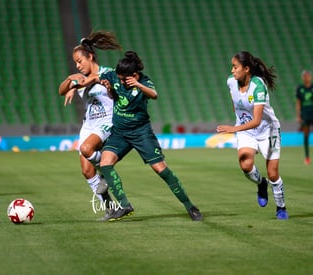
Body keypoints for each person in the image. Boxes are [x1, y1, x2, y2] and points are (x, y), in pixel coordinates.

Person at [98, 51, 202, 222]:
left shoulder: (144, 82)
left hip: (141, 132)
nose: (122, 82)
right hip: (120, 133)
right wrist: (108, 89)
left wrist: (138, 85)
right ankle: (125, 205)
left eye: (125, 79)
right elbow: (108, 90)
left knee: (161, 169)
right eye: (120, 79)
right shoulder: (113, 77)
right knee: (105, 163)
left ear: (135, 75)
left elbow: (154, 95)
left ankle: (190, 206)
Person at [217, 51, 288, 220]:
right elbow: (236, 103)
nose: (232, 70)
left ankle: (281, 207)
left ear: (246, 69)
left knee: (273, 174)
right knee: (245, 164)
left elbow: (257, 120)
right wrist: (238, 122)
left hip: (267, 130)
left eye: (235, 67)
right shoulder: (231, 82)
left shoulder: (258, 86)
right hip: (247, 130)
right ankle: (260, 183)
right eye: (232, 66)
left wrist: (233, 129)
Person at [59, 31, 122, 208]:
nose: (77, 66)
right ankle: (109, 207)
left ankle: (107, 171)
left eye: (80, 61)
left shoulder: (107, 73)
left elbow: (117, 90)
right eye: (75, 63)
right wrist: (70, 80)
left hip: (107, 121)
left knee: (87, 148)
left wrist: (109, 88)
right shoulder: (80, 80)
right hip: (89, 124)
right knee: (86, 171)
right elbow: (61, 90)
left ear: (91, 56)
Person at [296, 70, 313, 165]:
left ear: (310, 77)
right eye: (305, 76)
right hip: (305, 115)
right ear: (303, 78)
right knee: (306, 135)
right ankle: (307, 157)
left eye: (308, 75)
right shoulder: (300, 88)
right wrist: (298, 116)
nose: (306, 77)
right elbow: (298, 103)